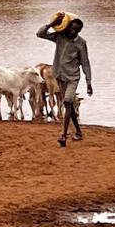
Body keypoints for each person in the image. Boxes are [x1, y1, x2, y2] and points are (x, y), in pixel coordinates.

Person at [37, 13, 93, 148]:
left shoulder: (81, 43)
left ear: (79, 31)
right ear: (67, 27)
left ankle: (63, 135)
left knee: (67, 101)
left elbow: (85, 63)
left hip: (72, 77)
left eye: (75, 30)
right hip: (59, 75)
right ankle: (78, 132)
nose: (72, 31)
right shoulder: (60, 37)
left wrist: (88, 81)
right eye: (70, 28)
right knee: (68, 104)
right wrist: (52, 24)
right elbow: (40, 34)